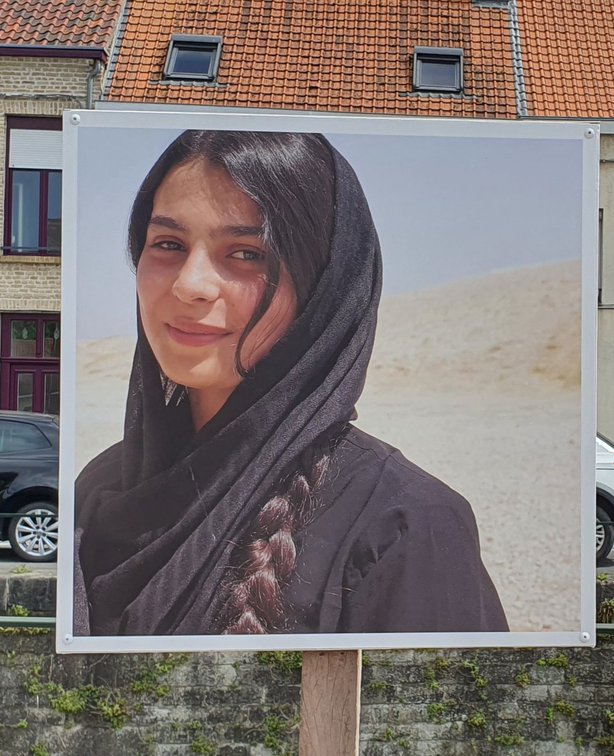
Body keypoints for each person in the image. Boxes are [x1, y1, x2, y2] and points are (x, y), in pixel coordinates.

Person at [73, 130, 509, 636]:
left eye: (247, 253)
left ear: (325, 287)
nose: (189, 285)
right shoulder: (99, 483)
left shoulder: (408, 528)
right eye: (168, 244)